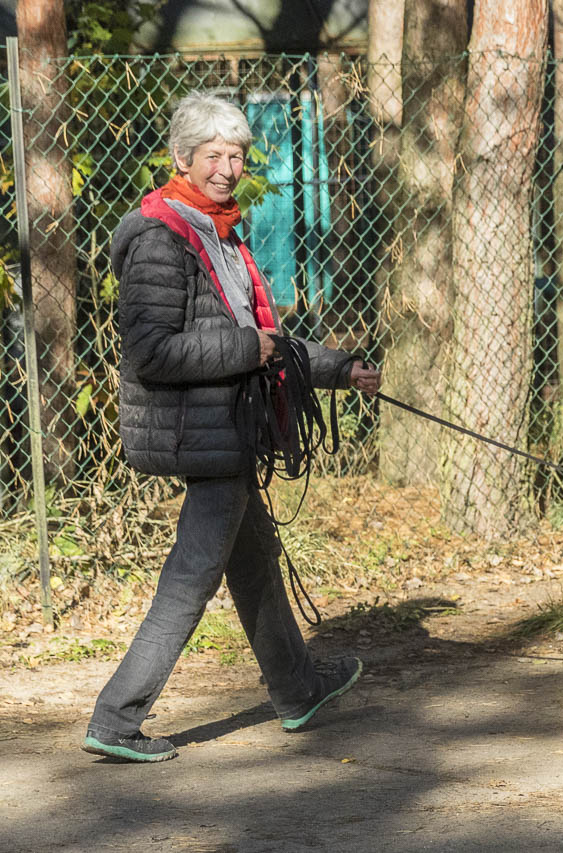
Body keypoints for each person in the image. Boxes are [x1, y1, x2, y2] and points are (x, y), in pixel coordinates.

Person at [83, 92, 382, 763]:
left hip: (230, 428)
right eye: (213, 154)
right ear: (181, 158)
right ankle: (117, 716)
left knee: (253, 563)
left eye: (236, 154)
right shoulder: (160, 236)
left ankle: (298, 688)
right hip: (204, 430)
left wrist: (341, 368)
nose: (226, 166)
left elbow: (264, 336)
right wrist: (248, 350)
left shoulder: (221, 230)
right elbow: (154, 353)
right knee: (192, 577)